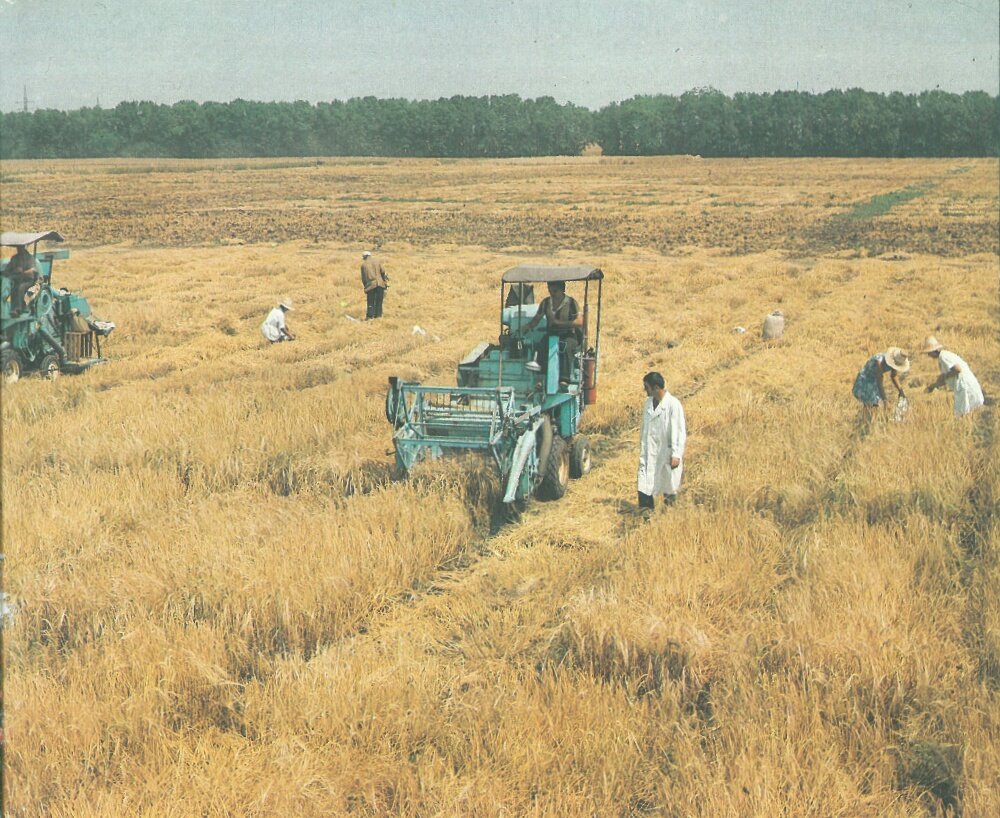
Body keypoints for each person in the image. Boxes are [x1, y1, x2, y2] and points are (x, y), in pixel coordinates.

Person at [637, 371, 686, 511]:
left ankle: (669, 515)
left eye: (646, 387)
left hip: (666, 452)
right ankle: (646, 514)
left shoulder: (673, 405)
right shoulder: (648, 404)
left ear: (656, 387)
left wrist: (676, 454)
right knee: (644, 483)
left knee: (668, 484)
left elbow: (679, 431)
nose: (645, 390)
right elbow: (645, 429)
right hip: (649, 452)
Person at [523, 281, 584, 381]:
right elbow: (536, 319)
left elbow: (579, 321)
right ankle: (541, 377)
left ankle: (565, 380)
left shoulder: (571, 303)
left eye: (555, 291)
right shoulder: (546, 302)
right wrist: (528, 326)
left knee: (566, 347)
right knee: (541, 346)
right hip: (552, 334)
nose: (552, 294)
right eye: (550, 291)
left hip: (569, 334)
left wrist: (558, 322)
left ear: (562, 290)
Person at [922, 336, 984, 417]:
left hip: (963, 386)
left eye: (929, 352)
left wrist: (945, 375)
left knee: (962, 415)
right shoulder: (946, 355)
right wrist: (932, 386)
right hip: (966, 384)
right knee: (969, 413)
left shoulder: (943, 357)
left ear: (934, 351)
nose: (928, 355)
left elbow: (957, 369)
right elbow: (948, 378)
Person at [360, 251, 388, 320]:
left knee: (370, 302)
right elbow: (383, 271)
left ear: (364, 257)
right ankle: (378, 316)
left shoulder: (364, 265)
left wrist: (365, 286)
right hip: (380, 284)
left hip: (371, 285)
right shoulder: (377, 262)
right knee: (379, 301)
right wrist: (384, 281)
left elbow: (364, 278)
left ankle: (370, 317)